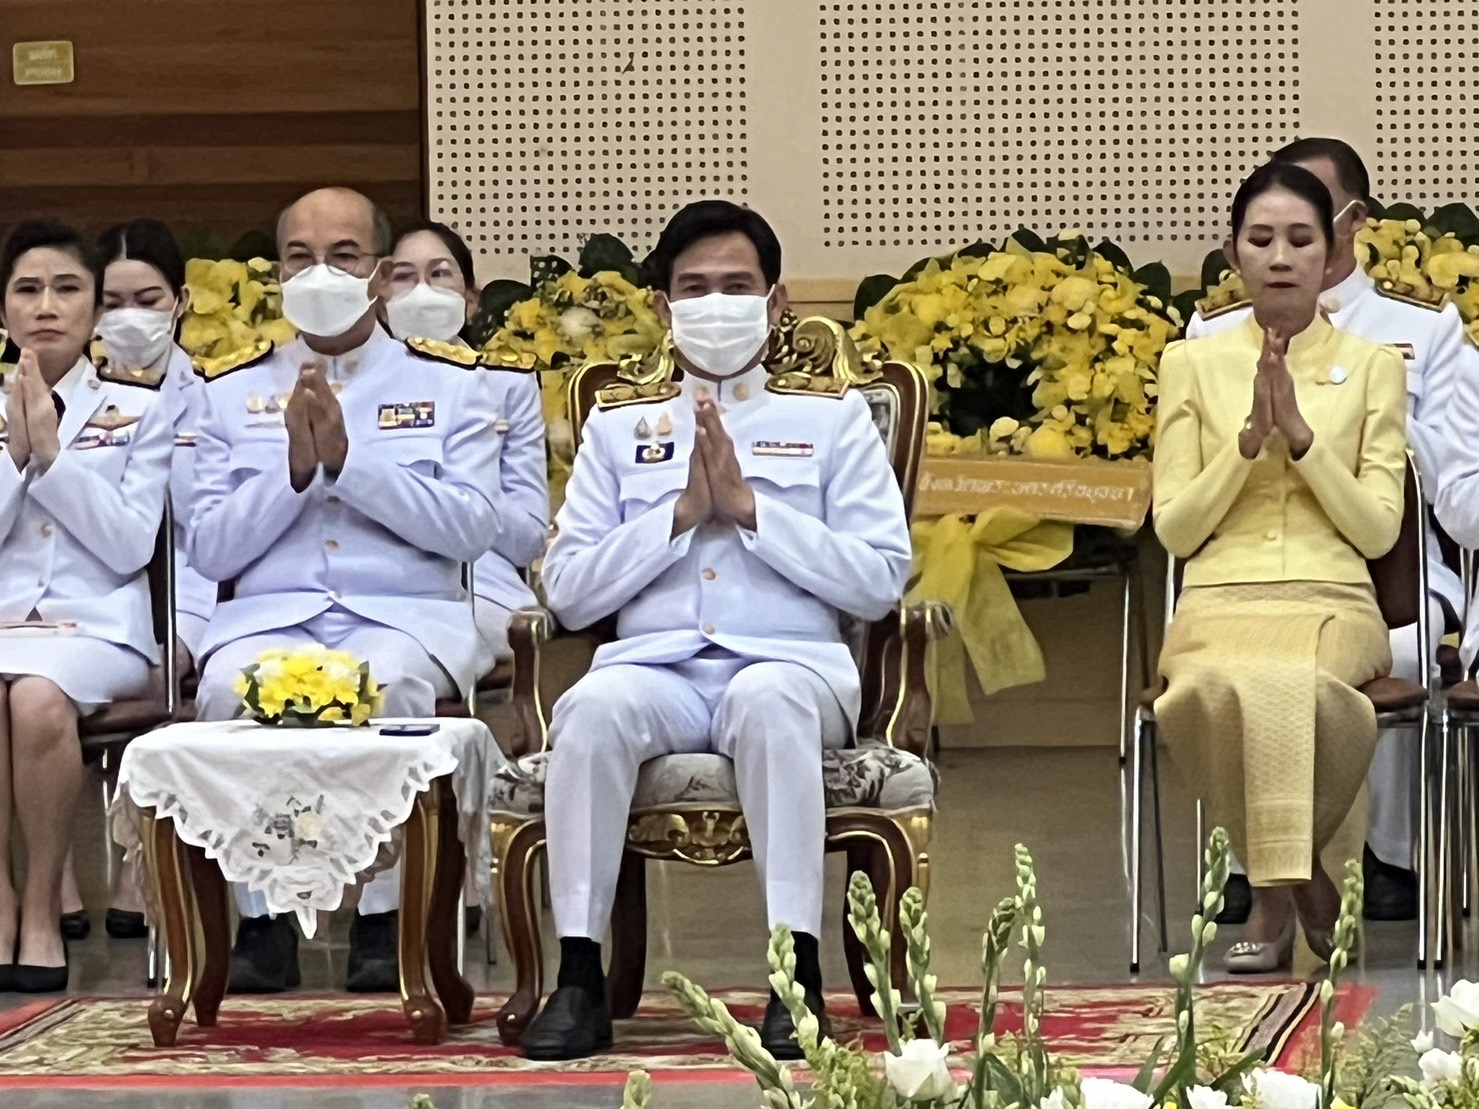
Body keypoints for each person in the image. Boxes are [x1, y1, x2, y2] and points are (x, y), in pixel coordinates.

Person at [520, 200, 912, 1060]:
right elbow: (570, 592)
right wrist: (678, 515)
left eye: (737, 286)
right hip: (655, 669)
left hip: (790, 664)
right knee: (589, 709)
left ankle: (793, 974)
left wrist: (748, 508)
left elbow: (880, 578)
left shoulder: (832, 420)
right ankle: (578, 973)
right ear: (663, 308)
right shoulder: (617, 427)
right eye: (694, 288)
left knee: (768, 698)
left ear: (776, 302)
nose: (716, 304)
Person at [188, 188, 506, 993]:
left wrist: (351, 465)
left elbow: (472, 529)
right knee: (226, 691)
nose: (319, 273)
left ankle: (384, 919)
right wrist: (294, 472)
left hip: (404, 615)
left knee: (389, 683)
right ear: (277, 273)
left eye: (343, 255)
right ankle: (264, 920)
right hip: (270, 616)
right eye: (299, 257)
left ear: (380, 273)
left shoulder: (450, 382)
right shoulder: (225, 388)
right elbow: (211, 546)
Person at [1185, 137, 1472, 922]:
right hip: (1245, 567)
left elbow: (1452, 466)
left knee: (1403, 651)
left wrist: (1349, 427)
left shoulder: (1419, 327)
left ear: (1349, 221)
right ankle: (1254, 861)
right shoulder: (1211, 334)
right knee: (1226, 668)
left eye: (1307, 218)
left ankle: (1392, 857)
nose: (1283, 246)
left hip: (1386, 567)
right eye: (1264, 228)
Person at [1154, 162, 1407, 972]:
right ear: (1233, 253)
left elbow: (1376, 530)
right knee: (1201, 690)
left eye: (1299, 239)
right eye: (1259, 239)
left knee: (1294, 684)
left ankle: (1267, 898)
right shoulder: (1188, 364)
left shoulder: (1373, 364)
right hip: (1217, 598)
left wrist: (1301, 439)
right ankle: (1304, 883)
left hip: (1331, 599)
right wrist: (1243, 448)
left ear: (1330, 252)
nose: (1279, 256)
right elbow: (1175, 528)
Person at [0, 220, 173, 991]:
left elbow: (130, 545)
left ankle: (43, 905)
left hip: (97, 626)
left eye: (67, 288)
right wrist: (13, 455)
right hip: (4, 619)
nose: (46, 305)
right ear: (4, 309)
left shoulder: (140, 409)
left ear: (97, 308)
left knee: (37, 698)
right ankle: (0, 900)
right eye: (27, 289)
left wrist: (52, 456)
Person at [384, 221, 547, 660]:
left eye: (439, 274)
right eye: (404, 276)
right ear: (380, 297)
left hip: (481, 575)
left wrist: (463, 485)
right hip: (378, 570)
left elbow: (528, 539)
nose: (422, 290)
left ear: (471, 300)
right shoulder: (355, 382)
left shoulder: (506, 384)